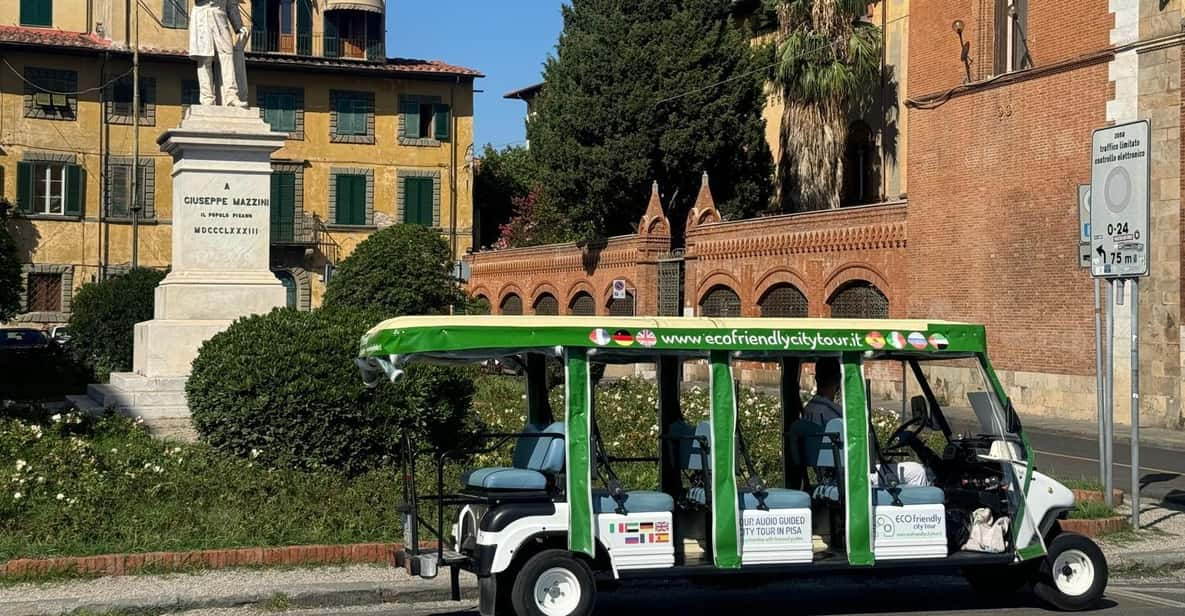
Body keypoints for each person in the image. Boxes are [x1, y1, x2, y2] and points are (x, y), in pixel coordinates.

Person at [803, 358, 932, 488]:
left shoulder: (809, 409)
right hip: (849, 475)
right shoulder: (836, 413)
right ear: (839, 380)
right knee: (917, 471)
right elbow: (860, 449)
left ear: (817, 378)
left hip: (828, 475)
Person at [190, 0, 249, 107]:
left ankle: (231, 96)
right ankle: (207, 99)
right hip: (202, 15)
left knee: (227, 54)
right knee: (205, 59)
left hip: (220, 15)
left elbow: (231, 4)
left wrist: (239, 26)